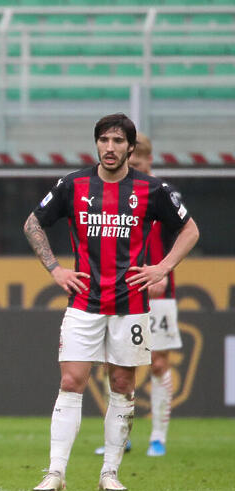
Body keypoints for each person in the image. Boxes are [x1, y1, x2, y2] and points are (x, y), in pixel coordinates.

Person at [23, 113, 199, 491]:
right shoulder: (73, 185)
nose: (110, 147)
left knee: (122, 384)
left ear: (130, 148)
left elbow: (190, 229)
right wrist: (55, 269)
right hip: (83, 302)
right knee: (71, 381)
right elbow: (33, 223)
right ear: (96, 144)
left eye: (118, 141)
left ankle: (110, 473)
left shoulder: (151, 190)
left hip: (131, 305)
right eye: (104, 140)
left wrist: (163, 267)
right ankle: (55, 472)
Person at [93, 133, 180, 458]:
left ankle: (158, 436)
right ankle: (120, 436)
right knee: (112, 363)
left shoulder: (162, 194)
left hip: (158, 290)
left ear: (149, 161)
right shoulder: (117, 192)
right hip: (120, 289)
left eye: (140, 164)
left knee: (158, 362)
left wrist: (163, 271)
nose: (135, 170)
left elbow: (180, 237)